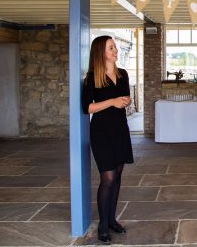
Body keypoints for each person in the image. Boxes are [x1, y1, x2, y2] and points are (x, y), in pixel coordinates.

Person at [82, 35, 134, 244]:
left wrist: (126, 101)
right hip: (101, 132)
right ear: (101, 52)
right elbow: (87, 107)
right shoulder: (92, 77)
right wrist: (112, 101)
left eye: (115, 48)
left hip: (120, 129)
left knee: (118, 176)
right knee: (108, 178)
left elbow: (127, 98)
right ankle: (103, 225)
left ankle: (112, 219)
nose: (115, 51)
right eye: (111, 48)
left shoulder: (123, 74)